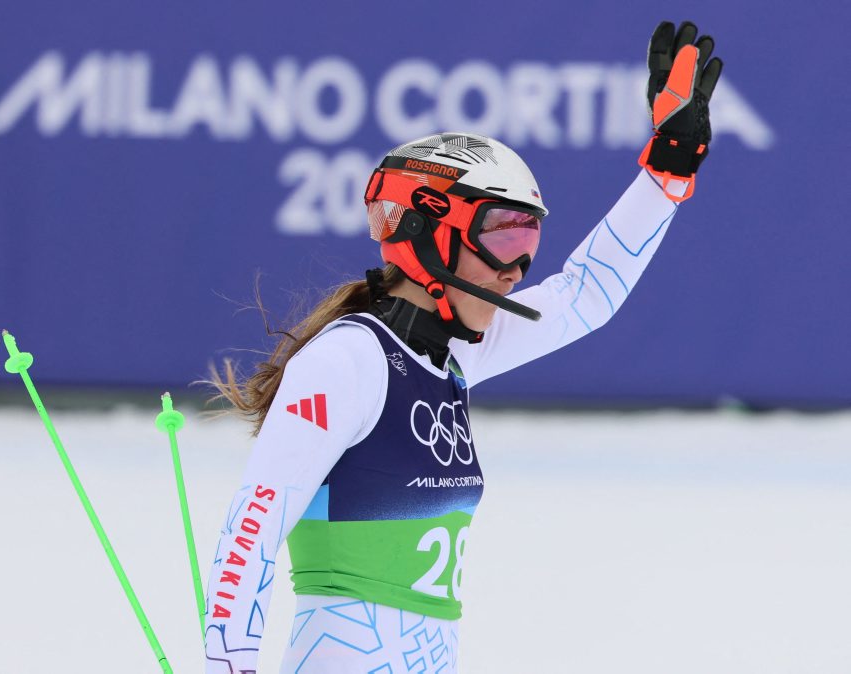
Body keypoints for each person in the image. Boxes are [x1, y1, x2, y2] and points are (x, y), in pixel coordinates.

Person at [204, 20, 723, 674]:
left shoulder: (453, 353)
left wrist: (667, 174)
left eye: (529, 243)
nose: (517, 269)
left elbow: (586, 293)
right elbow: (247, 542)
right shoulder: (346, 363)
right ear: (428, 232)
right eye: (503, 238)